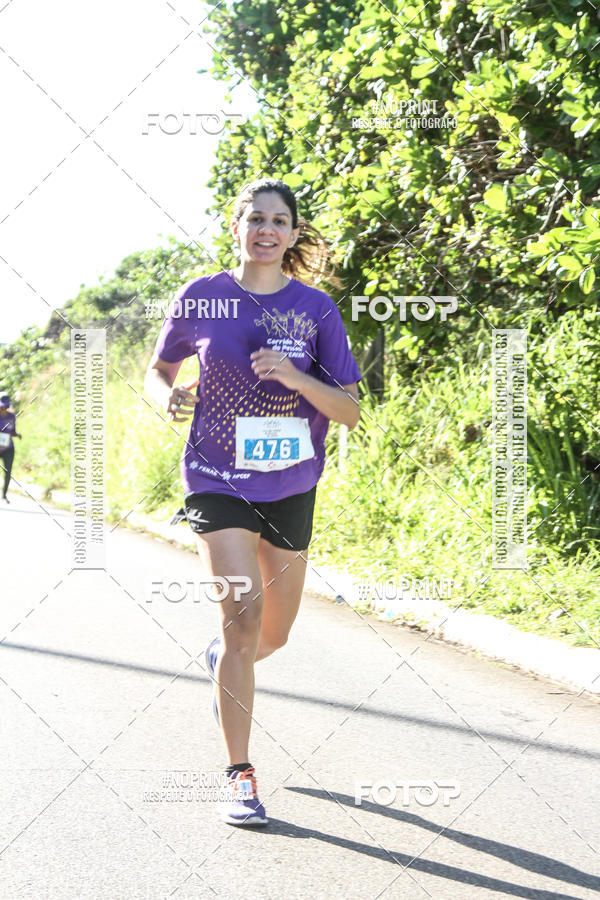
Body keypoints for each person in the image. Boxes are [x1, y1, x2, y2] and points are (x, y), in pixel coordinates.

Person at [144, 178, 361, 827]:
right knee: (241, 622)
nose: (266, 229)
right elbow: (159, 370)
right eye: (255, 218)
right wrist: (167, 398)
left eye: (279, 221)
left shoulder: (315, 309)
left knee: (274, 634)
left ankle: (223, 664)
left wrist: (297, 377)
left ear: (293, 235)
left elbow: (349, 410)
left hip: (291, 484)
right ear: (235, 227)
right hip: (216, 477)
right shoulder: (202, 298)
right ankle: (239, 776)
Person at [0, 394, 21, 504]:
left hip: (8, 448)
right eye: (2, 407)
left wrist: (17, 435)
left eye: (6, 407)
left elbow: (12, 431)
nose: (4, 410)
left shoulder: (11, 417)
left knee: (8, 472)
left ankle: (4, 495)